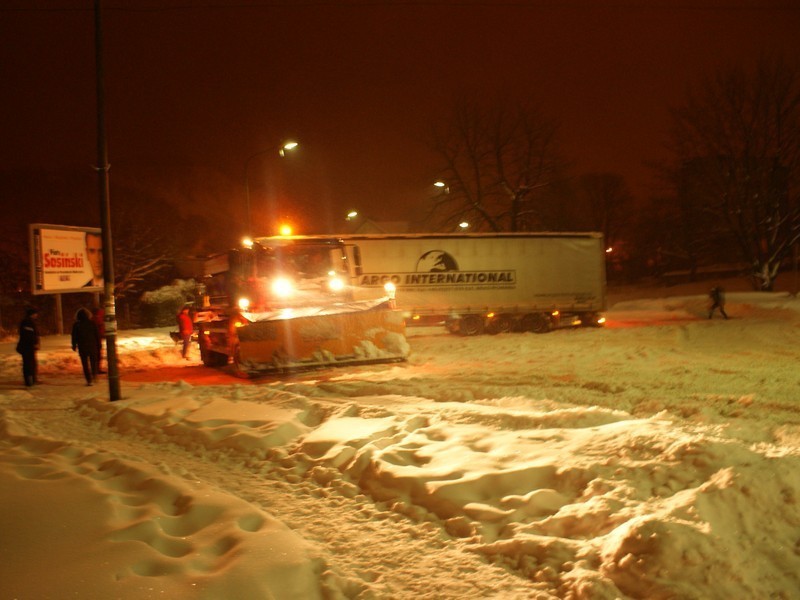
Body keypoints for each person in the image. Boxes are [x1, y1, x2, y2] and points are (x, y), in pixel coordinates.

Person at [72, 308, 100, 386]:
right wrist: (99, 345)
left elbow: (74, 336)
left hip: (82, 346)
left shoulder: (76, 325)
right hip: (92, 345)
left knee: (85, 364)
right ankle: (94, 375)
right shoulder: (92, 323)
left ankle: (88, 380)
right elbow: (97, 335)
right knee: (93, 362)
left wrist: (74, 345)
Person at [17, 307, 41, 387]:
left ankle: (32, 379)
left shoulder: (29, 322)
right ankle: (29, 381)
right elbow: (29, 335)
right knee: (28, 364)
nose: (36, 315)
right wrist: (34, 343)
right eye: (35, 313)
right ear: (32, 314)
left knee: (31, 363)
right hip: (27, 347)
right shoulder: (27, 322)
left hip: (29, 347)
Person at [91, 305, 106, 373]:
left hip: (95, 339)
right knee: (97, 354)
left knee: (95, 354)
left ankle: (95, 369)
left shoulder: (92, 319)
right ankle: (96, 369)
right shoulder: (97, 319)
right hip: (97, 339)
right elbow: (100, 328)